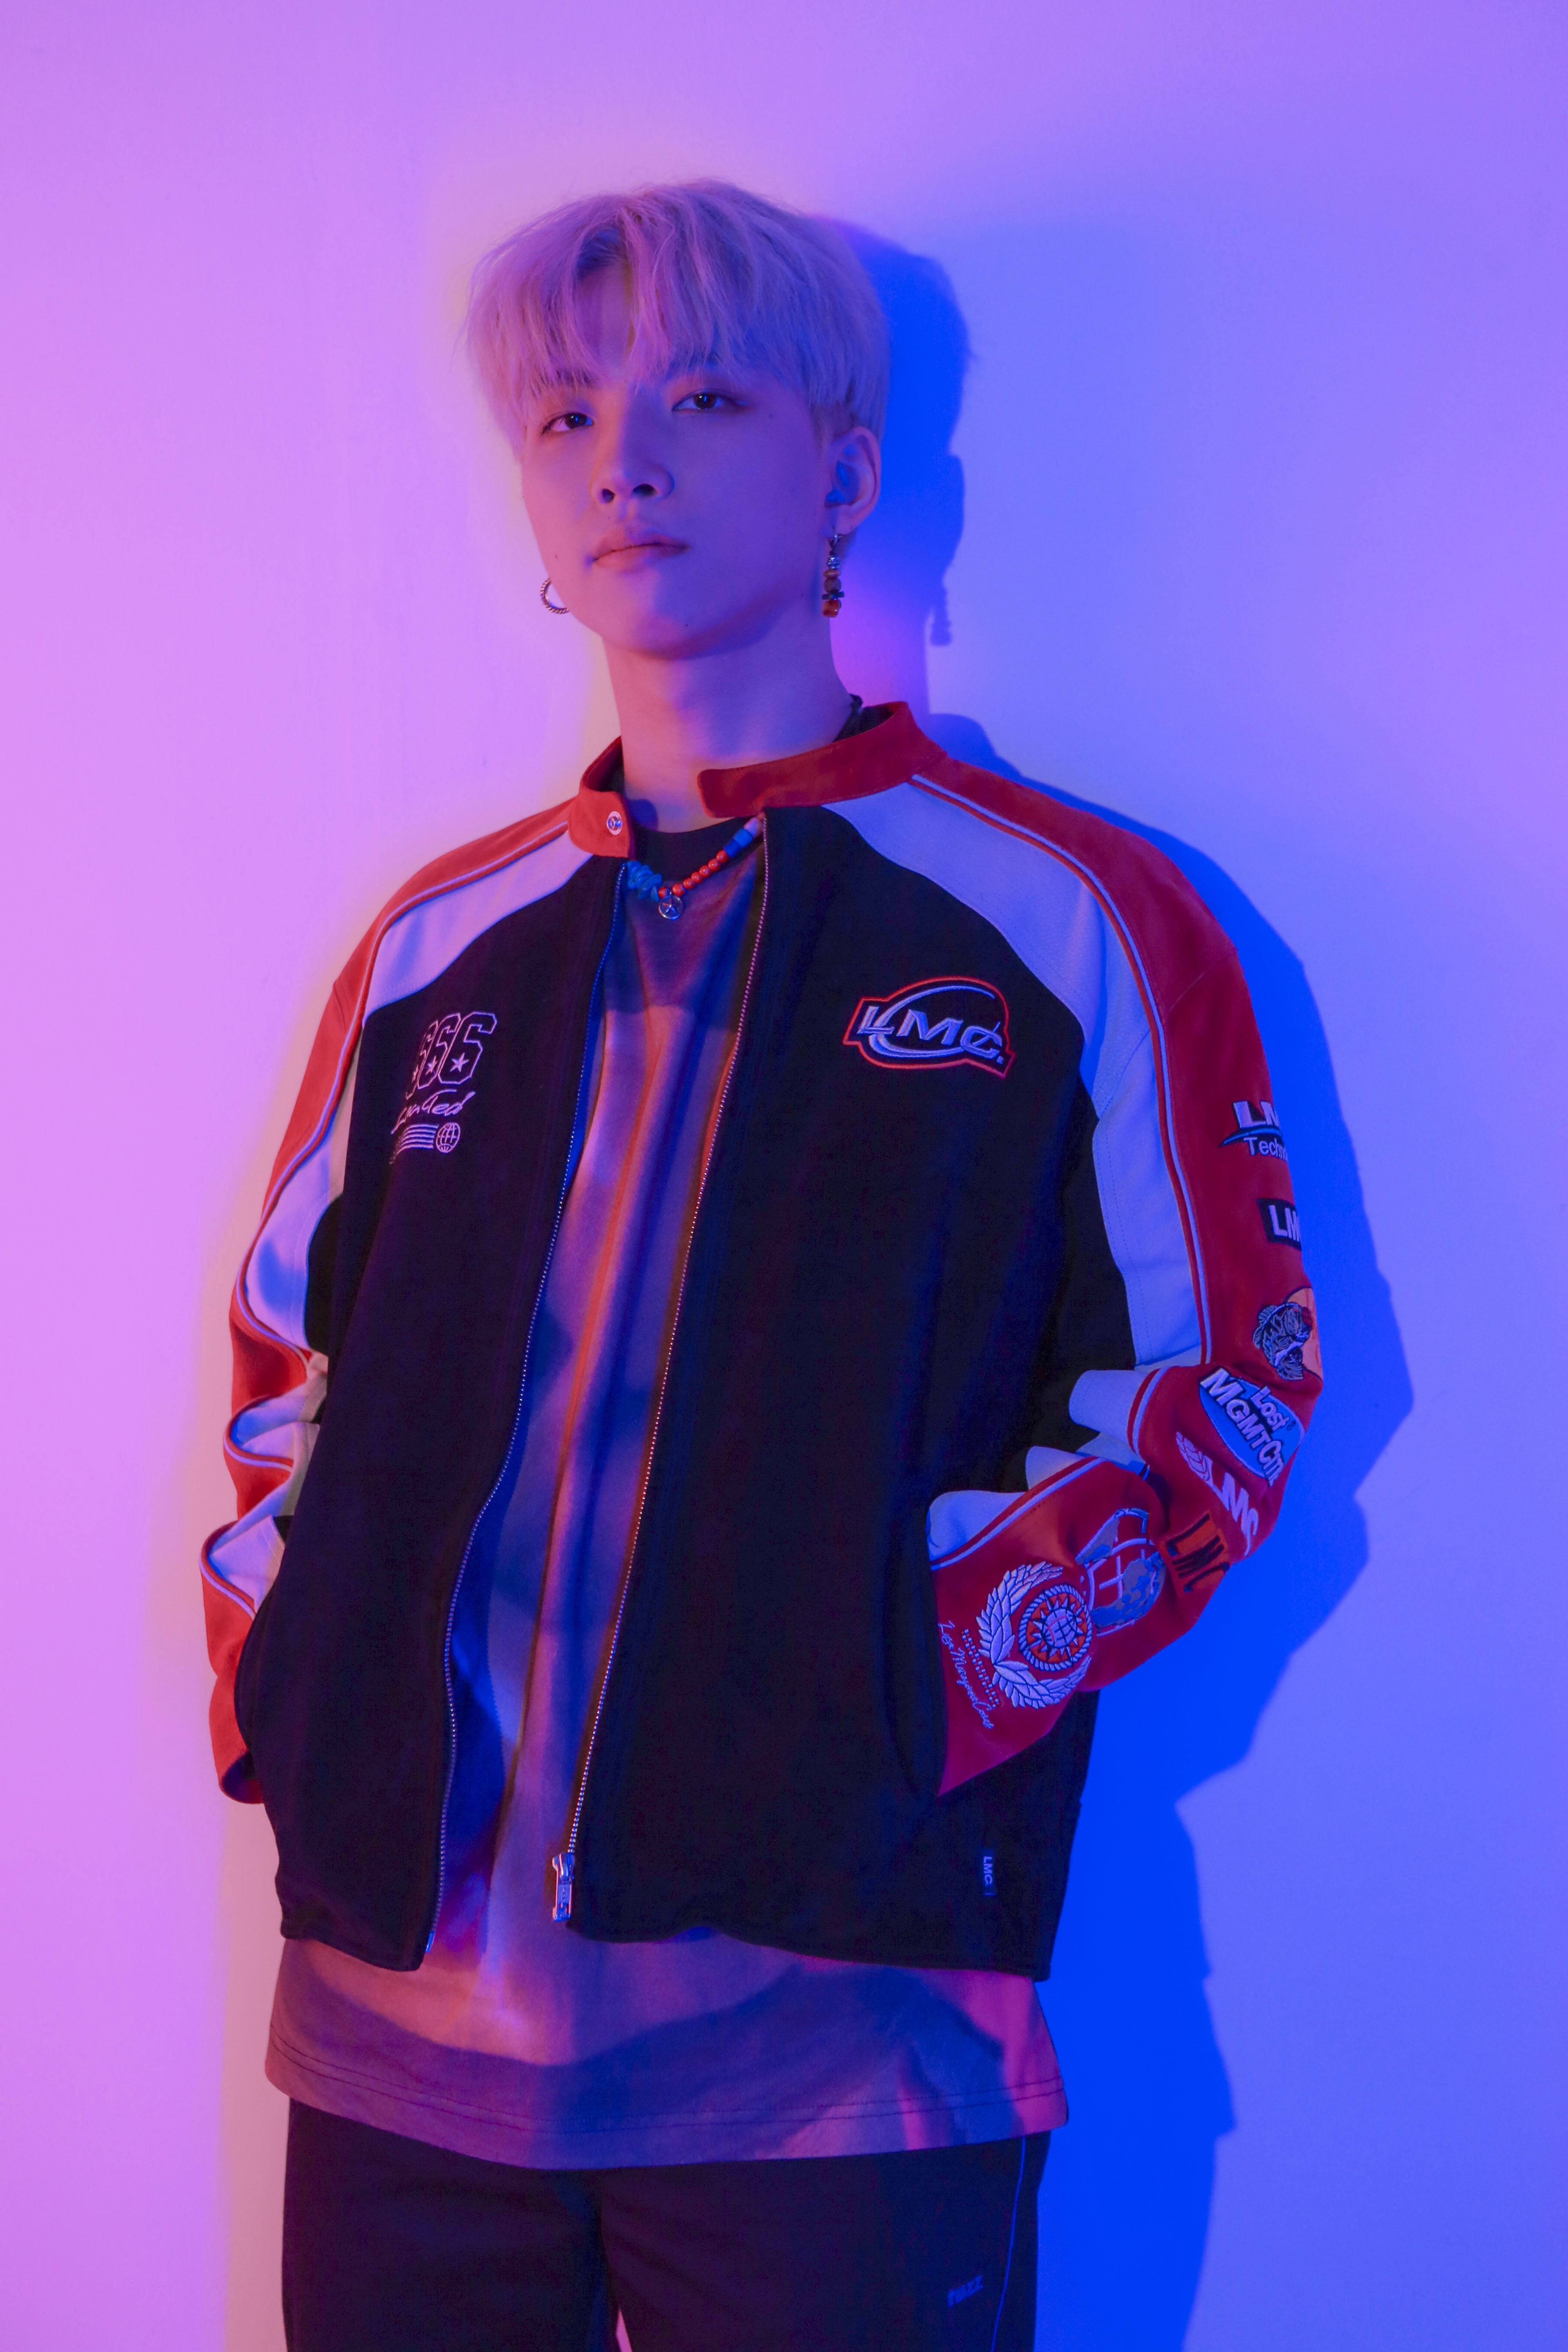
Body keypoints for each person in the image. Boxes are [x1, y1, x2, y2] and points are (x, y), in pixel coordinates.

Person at [201, 181, 1321, 2351]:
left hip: (840, 2054)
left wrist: (909, 1682)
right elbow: (282, 1368)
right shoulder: (439, 947)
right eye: (567, 412)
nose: (625, 458)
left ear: (845, 471)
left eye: (705, 397)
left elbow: (1224, 1383)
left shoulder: (1069, 918)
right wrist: (292, 1681)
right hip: (391, 2043)